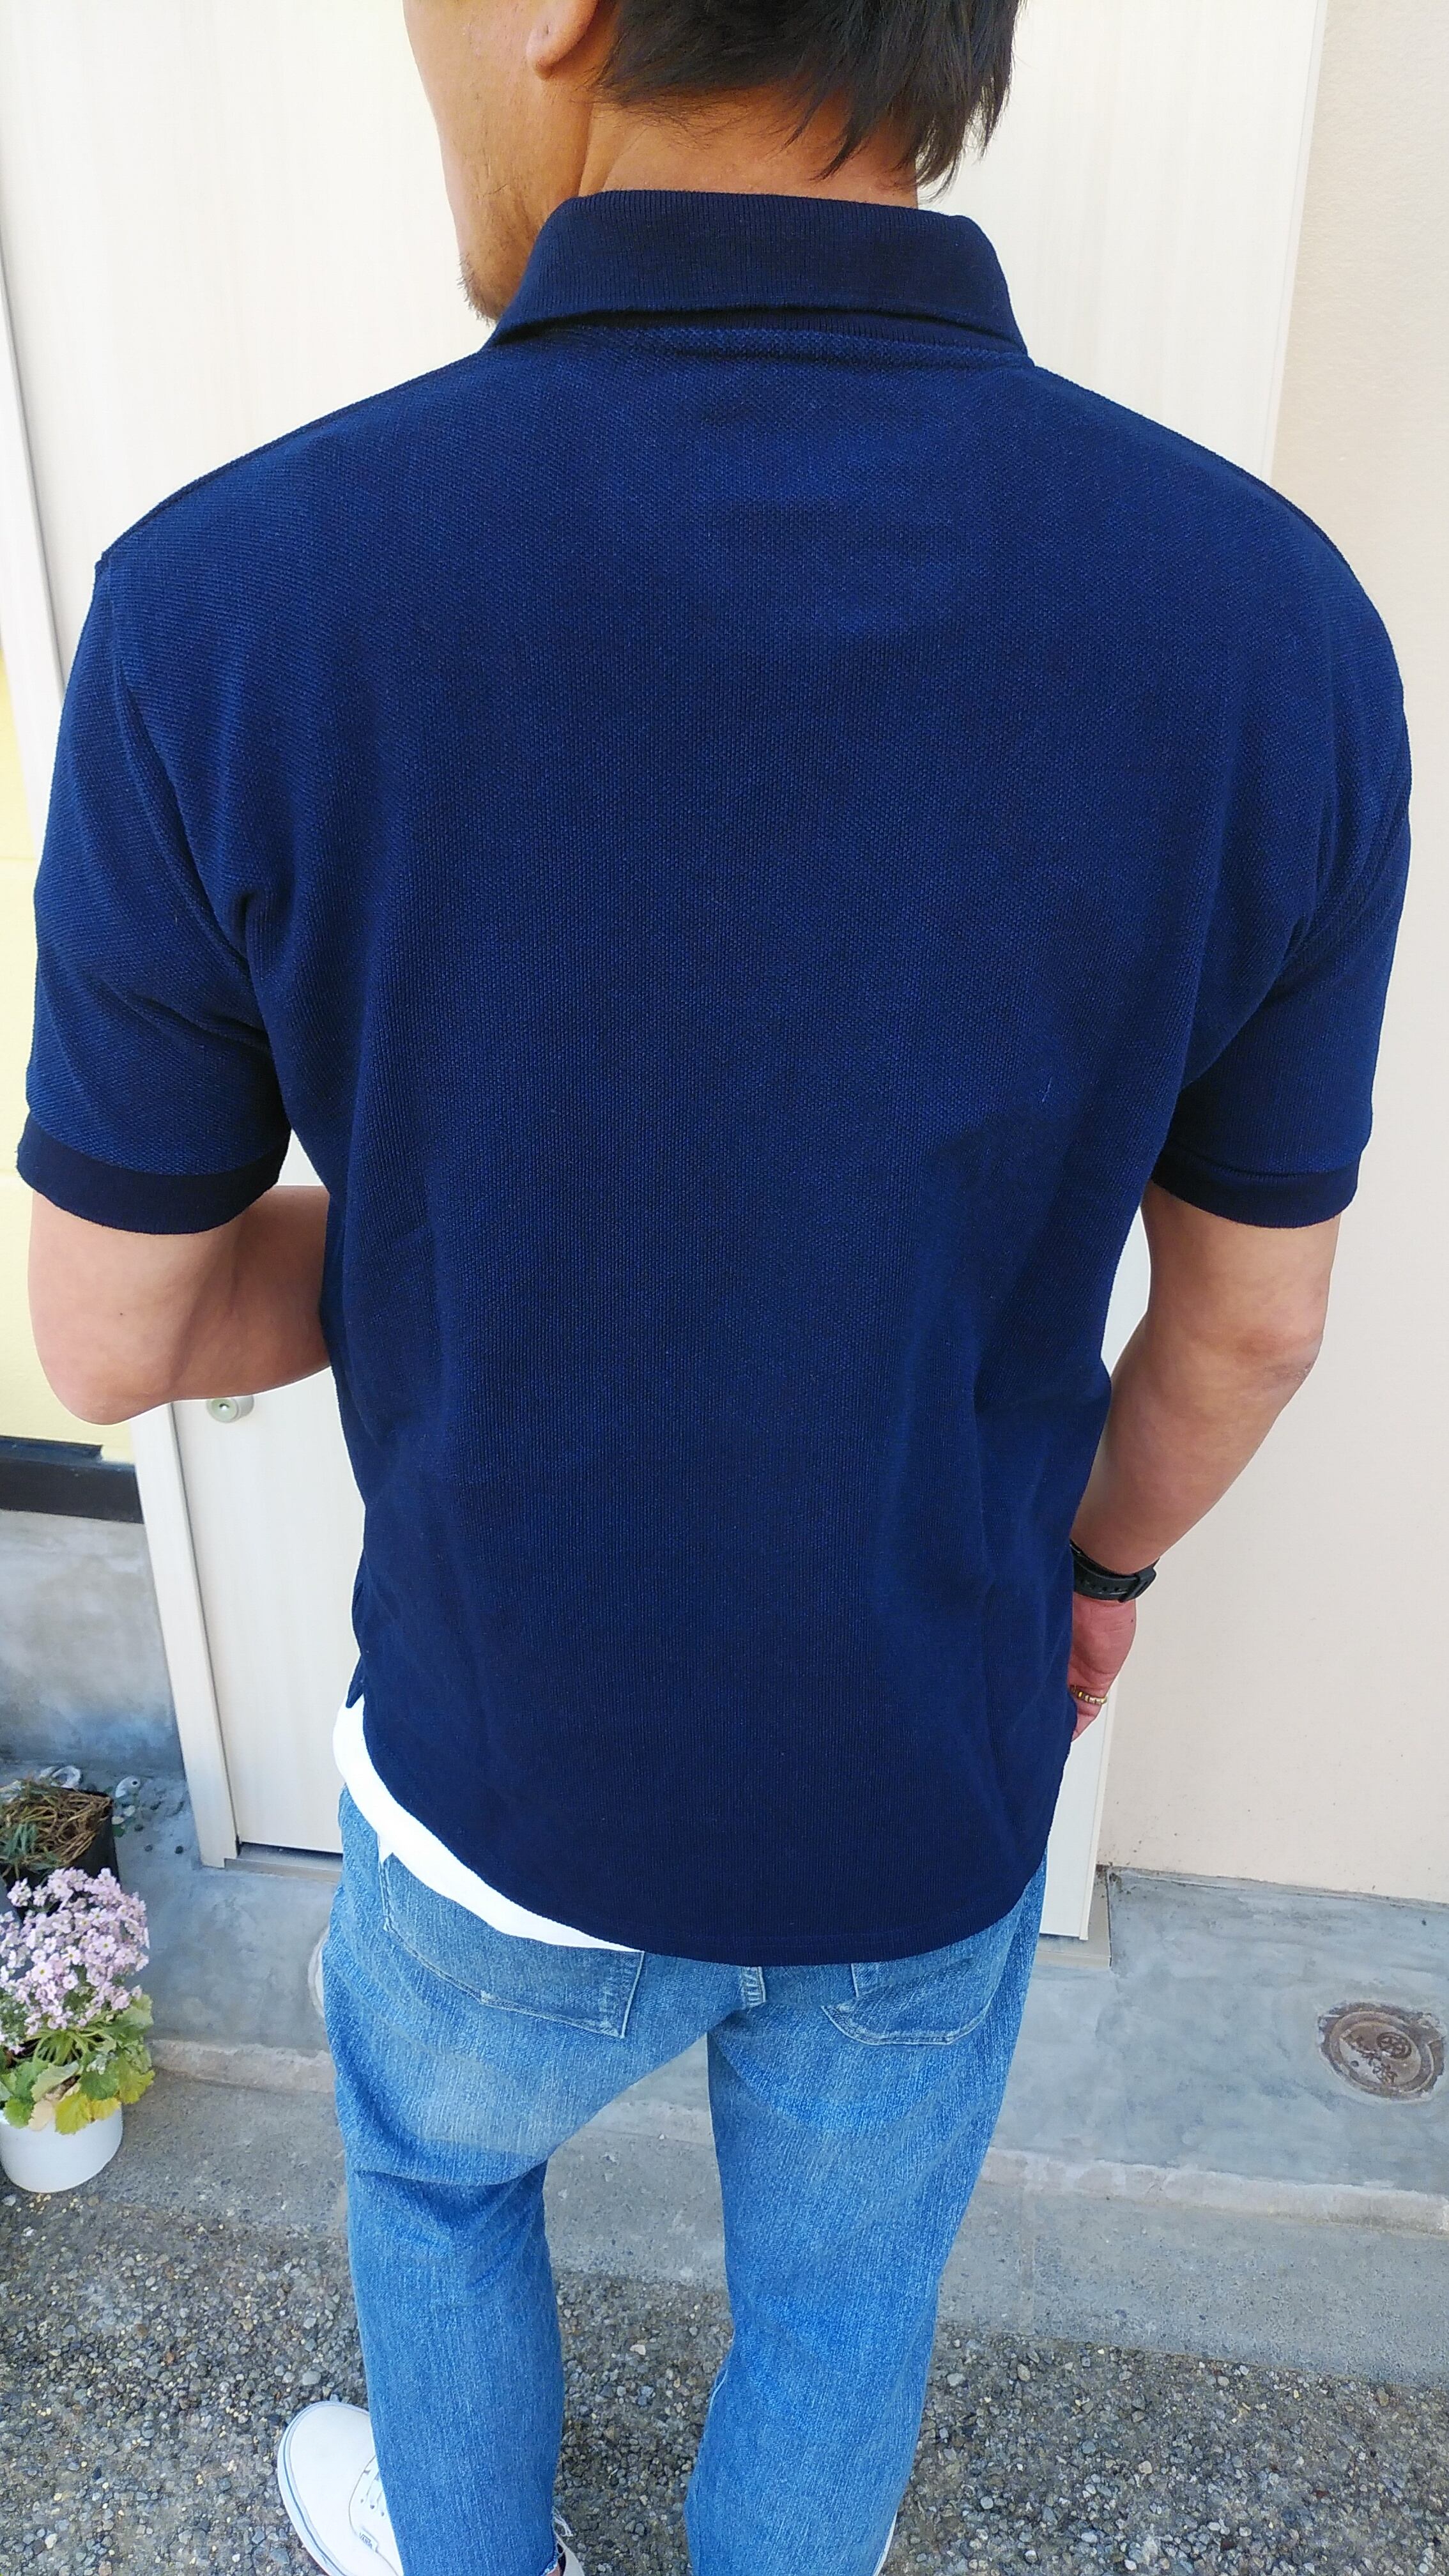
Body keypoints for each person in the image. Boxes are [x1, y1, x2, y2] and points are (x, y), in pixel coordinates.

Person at [22, 1, 1409, 2570]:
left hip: (498, 1777)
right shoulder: (1269, 628)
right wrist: (1098, 1574)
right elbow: (1251, 1325)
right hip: (926, 1771)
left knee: (440, 2185)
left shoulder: (227, 605)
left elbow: (114, 1328)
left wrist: (445, 1219)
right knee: (843, 2310)